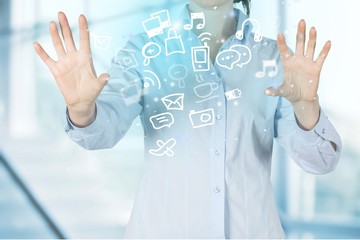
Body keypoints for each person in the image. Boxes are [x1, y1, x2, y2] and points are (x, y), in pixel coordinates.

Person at [33, 0, 342, 238]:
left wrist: (305, 106)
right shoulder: (145, 52)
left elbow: (321, 161)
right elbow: (103, 131)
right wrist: (82, 110)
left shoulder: (274, 59)